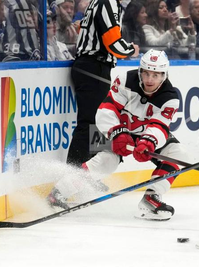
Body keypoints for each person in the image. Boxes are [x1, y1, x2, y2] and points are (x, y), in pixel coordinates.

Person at [49, 49, 187, 221]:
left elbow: (159, 125)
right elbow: (105, 110)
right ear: (140, 71)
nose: (150, 79)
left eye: (156, 75)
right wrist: (117, 133)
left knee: (177, 153)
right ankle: (59, 192)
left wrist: (148, 143)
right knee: (107, 162)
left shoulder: (170, 97)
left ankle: (152, 197)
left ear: (164, 75)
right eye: (146, 73)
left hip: (144, 134)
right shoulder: (125, 80)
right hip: (112, 129)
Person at [66, 0, 139, 167]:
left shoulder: (103, 3)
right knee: (90, 123)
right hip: (93, 67)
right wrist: (130, 49)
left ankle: (90, 174)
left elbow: (89, 31)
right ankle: (70, 177)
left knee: (98, 123)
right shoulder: (108, 3)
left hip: (95, 67)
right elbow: (112, 42)